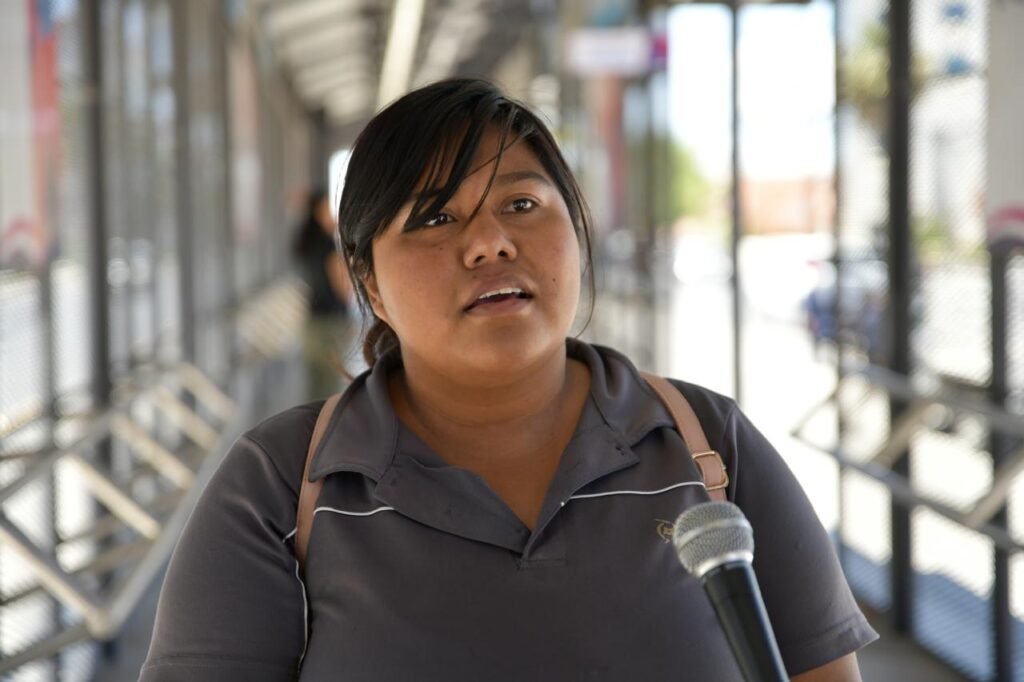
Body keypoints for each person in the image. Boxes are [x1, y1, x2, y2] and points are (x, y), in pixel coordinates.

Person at [140, 78, 877, 681]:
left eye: (521, 204)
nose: (490, 242)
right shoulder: (281, 487)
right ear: (368, 278)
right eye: (435, 218)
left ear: (575, 229)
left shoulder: (708, 447)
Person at [292, 187, 355, 399]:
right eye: (328, 208)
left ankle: (314, 421)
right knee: (331, 386)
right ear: (318, 211)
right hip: (331, 322)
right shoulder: (328, 246)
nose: (333, 215)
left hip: (312, 319)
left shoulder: (306, 243)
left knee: (315, 385)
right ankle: (328, 421)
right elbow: (342, 285)